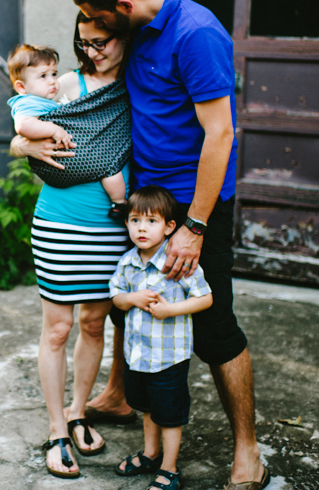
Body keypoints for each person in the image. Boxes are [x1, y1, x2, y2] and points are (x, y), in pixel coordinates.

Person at [70, 0, 269, 490]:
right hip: (146, 201)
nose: (95, 30)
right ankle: (118, 394)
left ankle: (247, 450)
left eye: (99, 17)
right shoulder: (137, 25)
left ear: (126, 4)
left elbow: (220, 135)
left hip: (193, 205)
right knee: (127, 303)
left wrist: (195, 225)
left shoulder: (196, 32)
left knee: (213, 327)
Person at [7, 15, 133, 478]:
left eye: (102, 42)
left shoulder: (137, 86)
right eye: (86, 43)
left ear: (123, 39)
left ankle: (79, 411)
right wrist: (24, 147)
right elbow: (25, 124)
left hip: (111, 228)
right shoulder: (65, 84)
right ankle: (58, 428)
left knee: (95, 323)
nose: (94, 50)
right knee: (58, 329)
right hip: (60, 225)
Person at [110, 186, 213, 490]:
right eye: (135, 220)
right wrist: (132, 298)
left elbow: (205, 298)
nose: (142, 228)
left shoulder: (178, 261)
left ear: (170, 227)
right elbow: (116, 297)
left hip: (168, 358)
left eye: (151, 221)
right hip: (138, 355)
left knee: (169, 414)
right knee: (146, 407)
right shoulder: (128, 261)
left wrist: (171, 310)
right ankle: (151, 453)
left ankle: (169, 467)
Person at [6, 43, 128, 217]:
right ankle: (119, 203)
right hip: (60, 213)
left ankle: (120, 203)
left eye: (54, 74)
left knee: (110, 170)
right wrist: (43, 136)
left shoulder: (47, 96)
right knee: (109, 169)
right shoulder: (31, 101)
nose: (52, 81)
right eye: (43, 76)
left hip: (107, 222)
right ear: (21, 87)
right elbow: (22, 128)